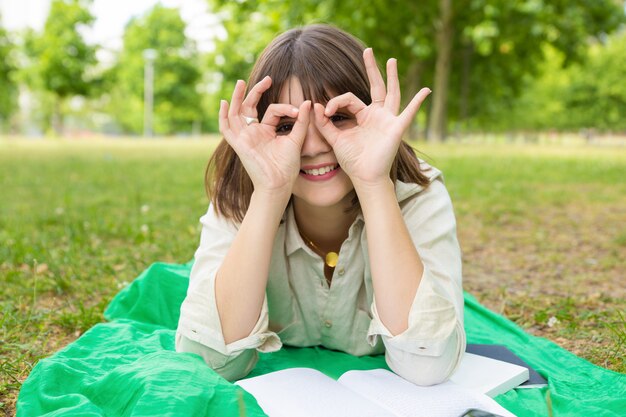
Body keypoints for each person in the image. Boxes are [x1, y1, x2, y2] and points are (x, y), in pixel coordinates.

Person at [175, 24, 465, 386]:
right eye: (285, 125)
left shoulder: (418, 193)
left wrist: (374, 183)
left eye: (338, 117)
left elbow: (427, 366)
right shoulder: (240, 194)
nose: (312, 146)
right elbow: (210, 363)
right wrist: (269, 191)